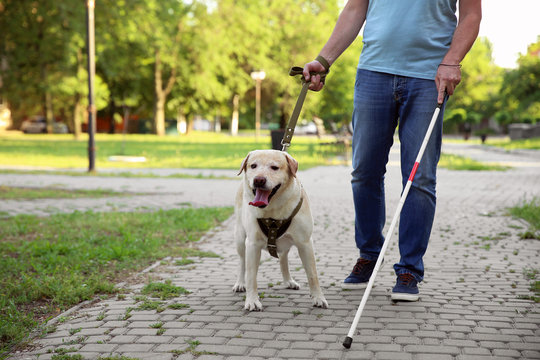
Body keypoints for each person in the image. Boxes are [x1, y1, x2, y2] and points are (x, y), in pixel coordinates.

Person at [303, 0, 481, 301]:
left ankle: (409, 269)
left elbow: (472, 14)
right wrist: (325, 59)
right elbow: (354, 9)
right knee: (364, 172)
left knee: (419, 176)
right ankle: (369, 255)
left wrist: (453, 60)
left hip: (429, 77)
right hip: (373, 72)